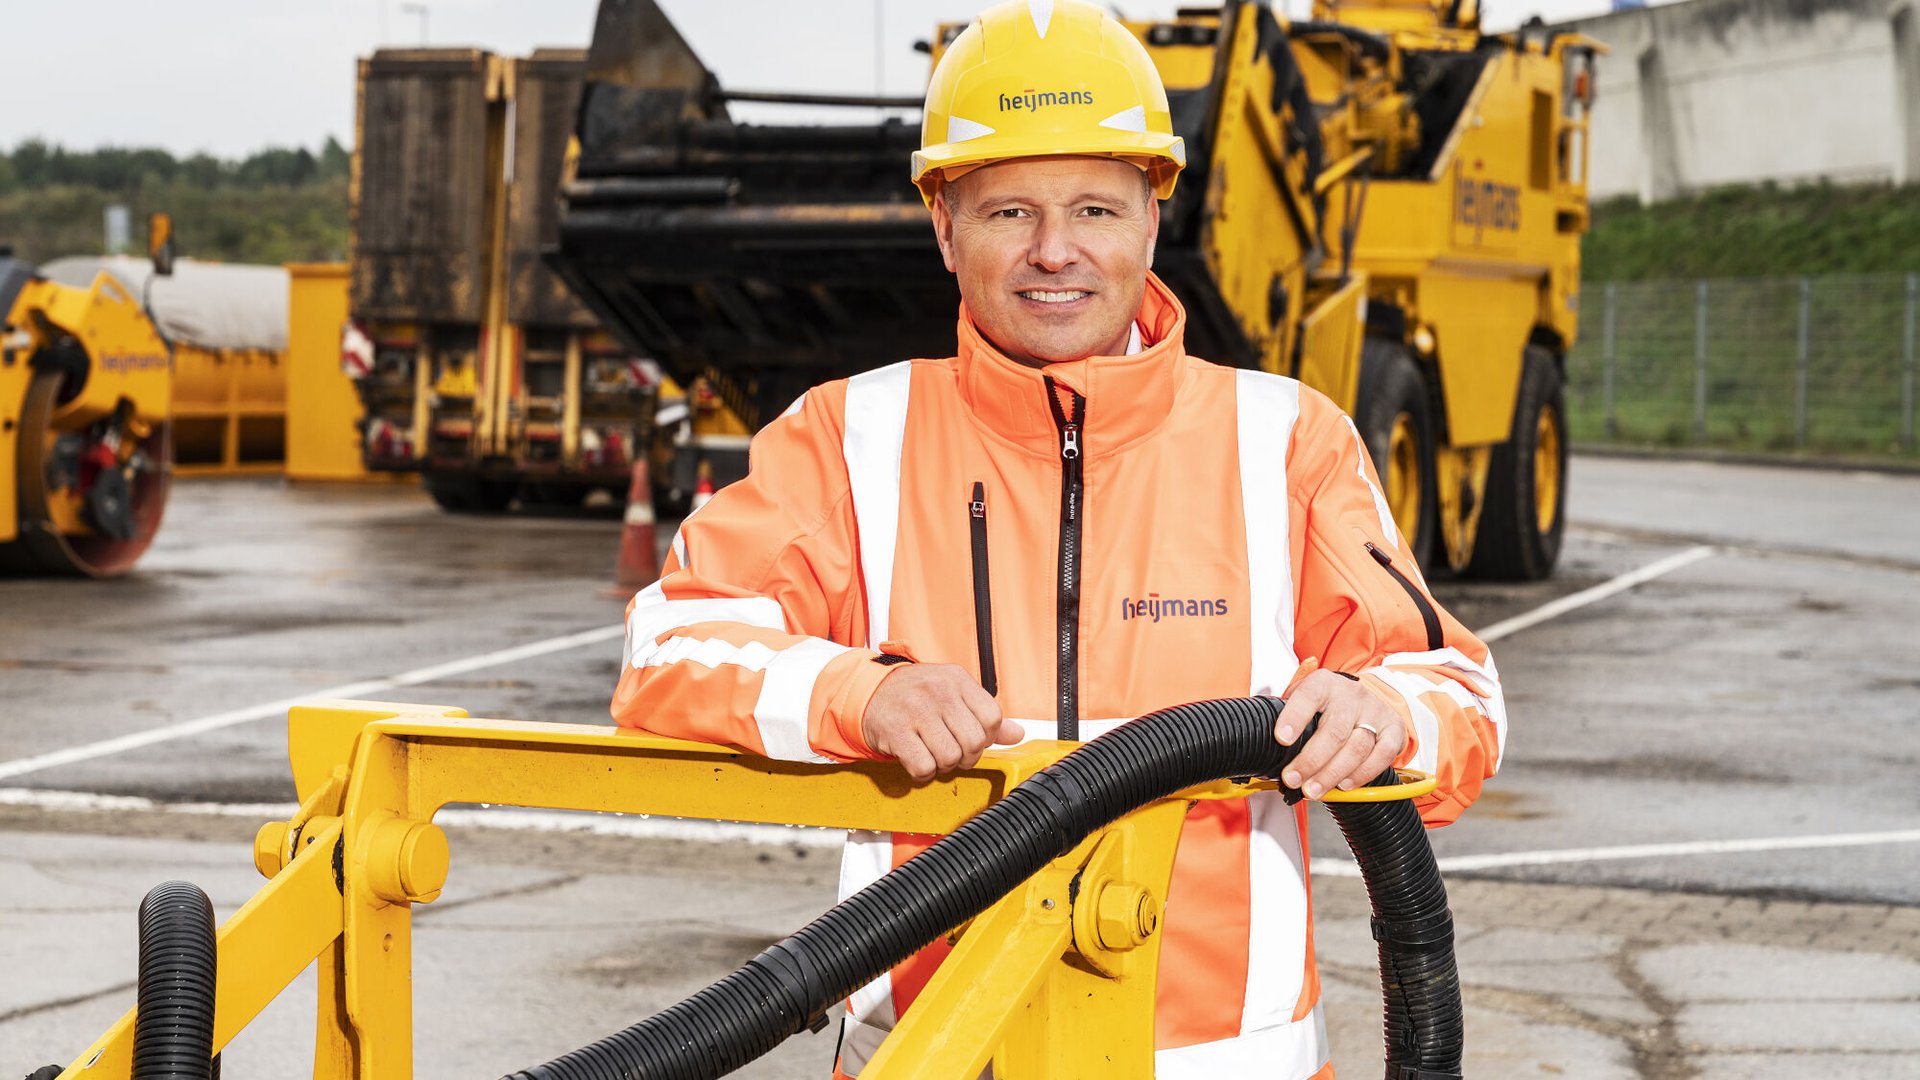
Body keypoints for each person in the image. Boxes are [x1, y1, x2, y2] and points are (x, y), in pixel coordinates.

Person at [609, 2, 1505, 1076]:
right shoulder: (851, 437)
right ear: (945, 227)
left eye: (1094, 208)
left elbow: (1460, 690)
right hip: (935, 1055)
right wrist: (859, 693)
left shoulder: (1285, 440)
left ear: (1152, 217)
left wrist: (1387, 713)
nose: (1055, 253)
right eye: (1007, 214)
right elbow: (667, 648)